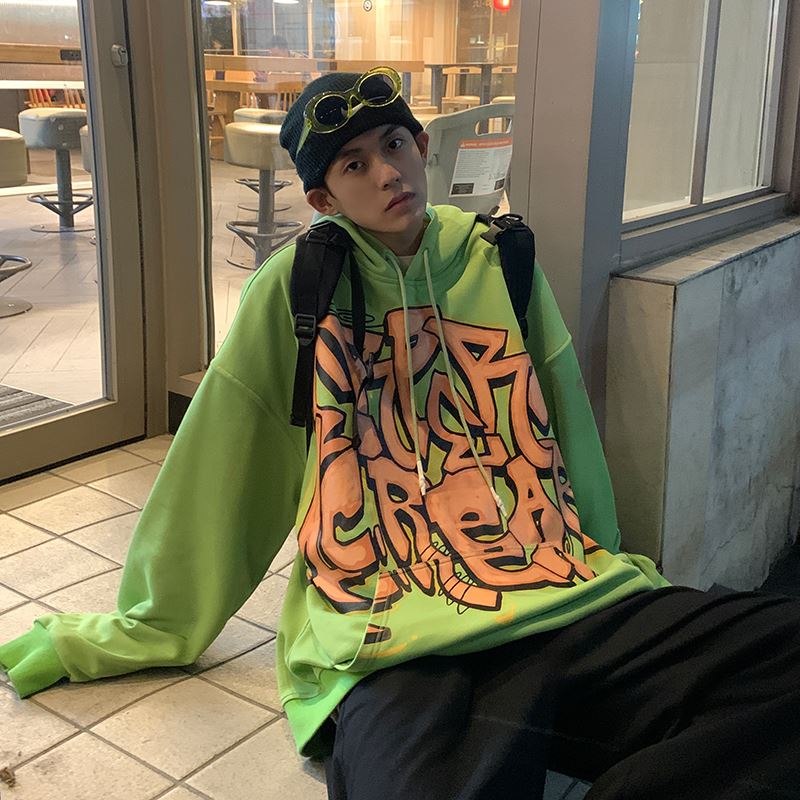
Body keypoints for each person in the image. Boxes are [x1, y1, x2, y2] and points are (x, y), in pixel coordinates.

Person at [2, 68, 800, 800]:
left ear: (421, 146)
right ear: (323, 198)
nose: (386, 173)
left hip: (557, 594)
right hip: (393, 629)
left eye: (393, 145)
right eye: (353, 164)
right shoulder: (300, 289)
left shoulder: (502, 260)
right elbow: (223, 467)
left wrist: (596, 559)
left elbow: (566, 432)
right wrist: (151, 624)